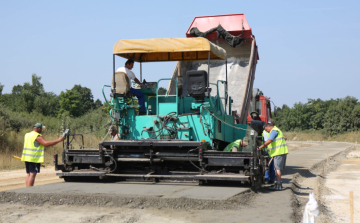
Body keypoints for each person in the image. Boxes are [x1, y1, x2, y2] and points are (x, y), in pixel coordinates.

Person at [257, 122, 288, 191]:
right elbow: (285, 138)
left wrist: (261, 146)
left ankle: (278, 185)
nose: (266, 131)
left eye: (266, 129)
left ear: (269, 127)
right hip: (279, 152)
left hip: (279, 152)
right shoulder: (277, 130)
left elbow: (269, 140)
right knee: (276, 169)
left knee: (277, 169)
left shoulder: (274, 131)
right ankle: (278, 183)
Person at [263, 119, 276, 184]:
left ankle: (271, 179)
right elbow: (267, 141)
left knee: (271, 165)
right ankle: (267, 178)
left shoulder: (272, 131)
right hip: (268, 151)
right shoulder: (266, 132)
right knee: (268, 165)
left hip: (272, 151)